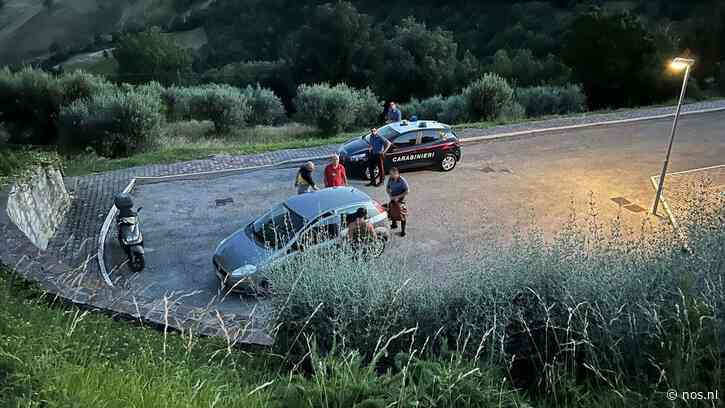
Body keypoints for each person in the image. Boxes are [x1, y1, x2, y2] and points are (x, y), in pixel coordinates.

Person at [386, 167, 409, 237]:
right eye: (390, 174)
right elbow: (387, 188)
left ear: (396, 174)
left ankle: (403, 231)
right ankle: (394, 224)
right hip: (393, 197)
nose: (390, 175)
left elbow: (407, 191)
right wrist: (390, 194)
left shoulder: (402, 180)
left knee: (402, 214)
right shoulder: (390, 179)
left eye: (392, 174)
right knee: (392, 210)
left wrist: (398, 197)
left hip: (401, 199)